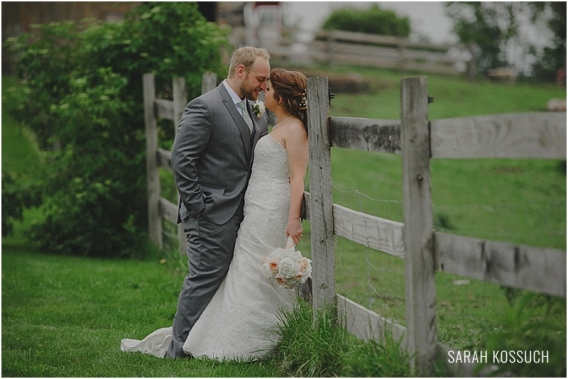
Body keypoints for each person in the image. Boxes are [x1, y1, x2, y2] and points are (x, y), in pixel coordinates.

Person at [121, 68, 309, 361]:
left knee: (258, 268)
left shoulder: (294, 128)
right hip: (254, 208)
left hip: (273, 207)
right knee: (245, 268)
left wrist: (293, 219)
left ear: (282, 97)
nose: (263, 92)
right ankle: (229, 333)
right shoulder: (273, 123)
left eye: (269, 88)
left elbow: (298, 178)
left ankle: (264, 336)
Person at [170, 45, 271, 358]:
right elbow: (181, 159)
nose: (264, 86)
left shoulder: (253, 105)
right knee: (204, 277)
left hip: (240, 212)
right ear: (240, 71)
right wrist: (198, 206)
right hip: (209, 213)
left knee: (223, 277)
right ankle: (178, 349)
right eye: (260, 78)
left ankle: (202, 343)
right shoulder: (205, 107)